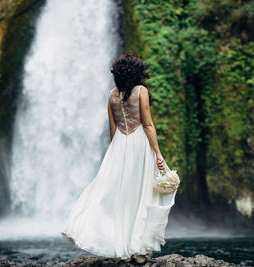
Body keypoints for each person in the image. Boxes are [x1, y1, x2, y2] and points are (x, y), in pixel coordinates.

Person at [61, 54, 178, 264]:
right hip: (140, 144)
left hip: (120, 145)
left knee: (119, 193)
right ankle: (139, 249)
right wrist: (158, 154)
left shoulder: (112, 95)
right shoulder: (141, 91)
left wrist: (117, 153)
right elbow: (148, 124)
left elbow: (112, 128)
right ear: (136, 72)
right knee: (141, 193)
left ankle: (121, 242)